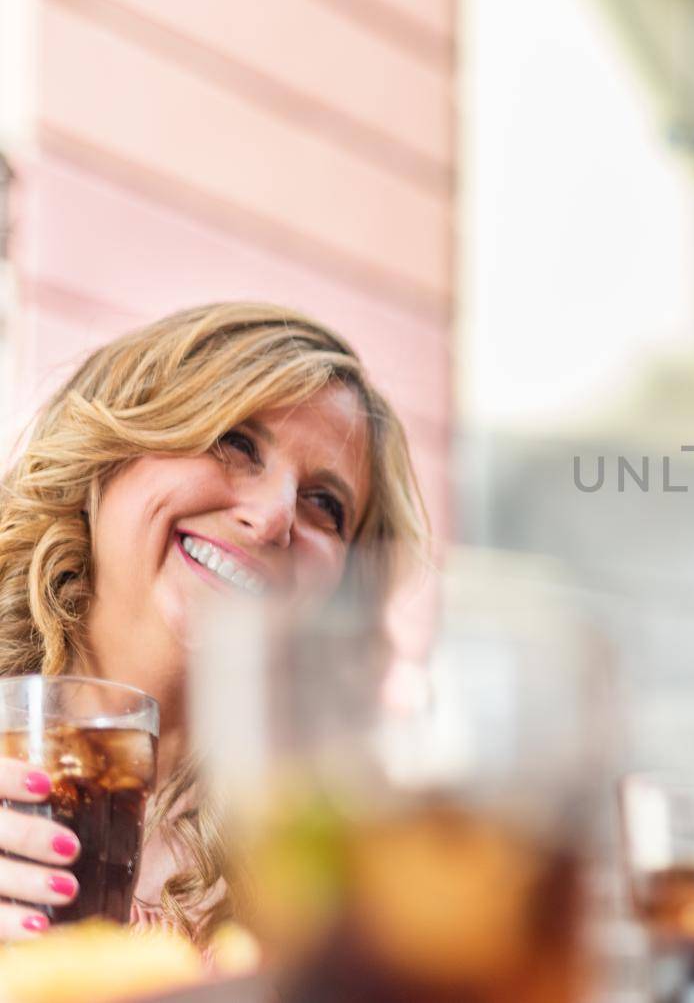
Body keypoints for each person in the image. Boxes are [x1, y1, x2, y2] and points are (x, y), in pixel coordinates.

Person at [0, 303, 426, 942]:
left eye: (325, 504)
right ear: (110, 448)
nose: (276, 516)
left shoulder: (337, 865)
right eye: (236, 441)